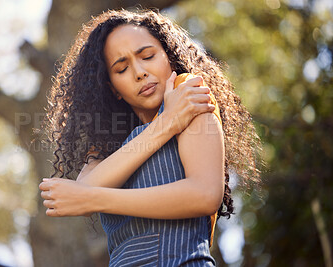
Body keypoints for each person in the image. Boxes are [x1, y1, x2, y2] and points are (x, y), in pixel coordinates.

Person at [39, 9, 260, 266]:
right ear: (113, 89)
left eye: (148, 56)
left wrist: (98, 198)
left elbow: (205, 194)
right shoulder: (109, 142)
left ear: (169, 56)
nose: (140, 72)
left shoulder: (187, 95)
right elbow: (85, 187)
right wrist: (166, 125)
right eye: (122, 69)